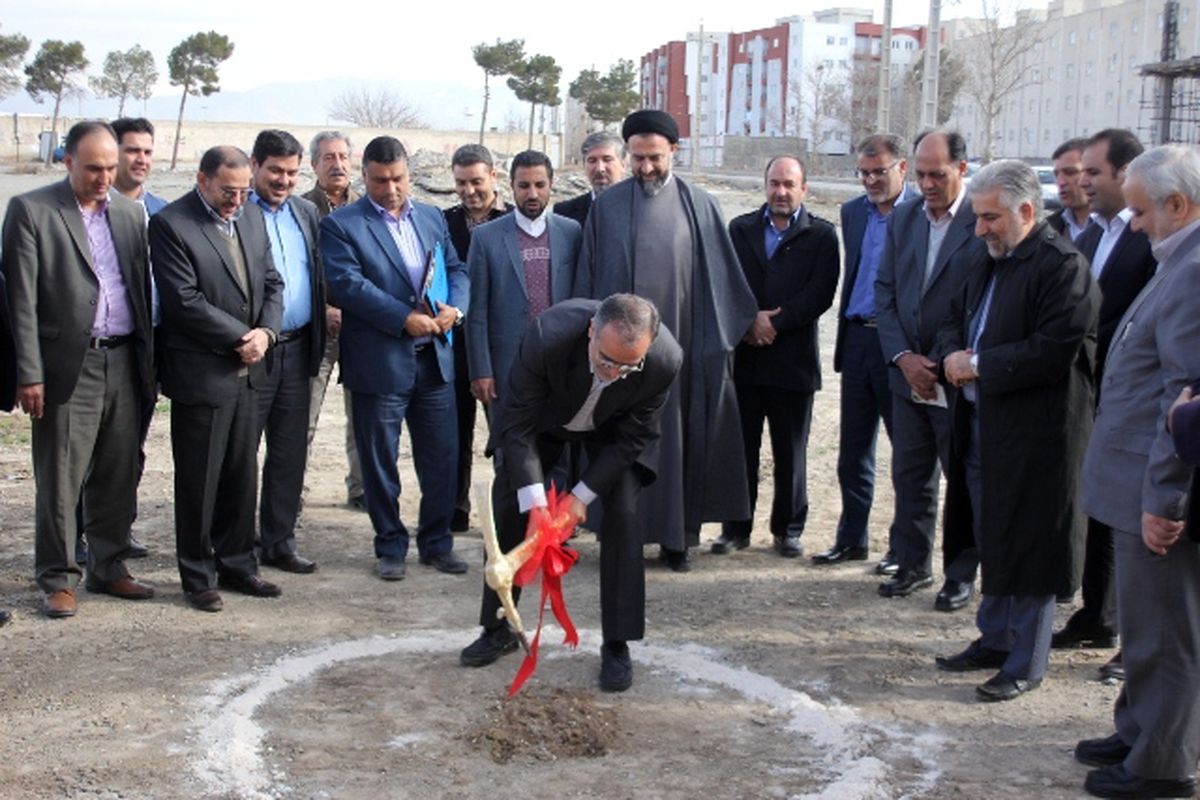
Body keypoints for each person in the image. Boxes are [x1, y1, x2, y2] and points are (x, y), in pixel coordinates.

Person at [459, 295, 682, 692]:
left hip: (614, 432)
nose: (614, 374)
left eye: (629, 366)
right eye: (606, 361)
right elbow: (519, 426)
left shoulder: (664, 360)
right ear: (592, 331)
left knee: (625, 510)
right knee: (511, 497)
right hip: (546, 420)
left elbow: (632, 441)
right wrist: (537, 503)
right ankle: (499, 626)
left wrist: (581, 495)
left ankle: (617, 642)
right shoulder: (549, 335)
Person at [935, 159, 1099, 701]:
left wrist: (978, 364)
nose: (979, 229)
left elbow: (1051, 352)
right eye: (978, 218)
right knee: (992, 534)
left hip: (1038, 438)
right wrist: (953, 352)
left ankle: (1026, 660)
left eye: (989, 218)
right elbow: (955, 316)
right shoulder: (989, 257)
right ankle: (996, 637)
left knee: (1031, 544)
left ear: (1026, 211)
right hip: (984, 427)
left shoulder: (1062, 267)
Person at [573, 109, 757, 571]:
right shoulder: (608, 207)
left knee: (678, 443)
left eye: (655, 157)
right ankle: (624, 536)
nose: (646, 168)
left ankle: (679, 538)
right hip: (621, 357)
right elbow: (588, 280)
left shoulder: (701, 205)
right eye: (637, 158)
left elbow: (724, 285)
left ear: (675, 151)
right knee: (623, 441)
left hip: (684, 354)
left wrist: (718, 344)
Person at [1075, 144, 1200, 800]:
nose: (1135, 225)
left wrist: (1165, 500)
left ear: (1177, 205)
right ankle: (1139, 728)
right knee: (1145, 627)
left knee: (1164, 633)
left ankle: (1163, 763)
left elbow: (1186, 400)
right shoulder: (1179, 255)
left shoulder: (1197, 266)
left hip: (1156, 496)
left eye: (1142, 212)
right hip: (1134, 486)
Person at [2, 120, 157, 618]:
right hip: (70, 364)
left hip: (126, 358)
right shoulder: (32, 211)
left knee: (117, 470)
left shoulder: (132, 215)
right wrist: (30, 372)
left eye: (111, 168)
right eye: (93, 168)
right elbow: (21, 301)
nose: (104, 177)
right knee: (62, 477)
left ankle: (109, 567)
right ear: (67, 161)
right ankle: (57, 576)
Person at [319, 135, 470, 581]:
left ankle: (437, 543)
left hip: (435, 358)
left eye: (398, 179)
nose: (390, 189)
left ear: (410, 174)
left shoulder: (430, 217)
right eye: (381, 180)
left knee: (441, 457)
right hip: (380, 359)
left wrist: (454, 309)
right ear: (364, 177)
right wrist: (403, 318)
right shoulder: (342, 225)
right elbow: (346, 284)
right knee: (379, 459)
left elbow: (456, 269)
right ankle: (389, 545)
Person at [150, 145, 284, 612]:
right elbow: (183, 300)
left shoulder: (250, 217)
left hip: (250, 369)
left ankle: (238, 563)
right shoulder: (171, 224)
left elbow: (272, 283)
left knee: (240, 474)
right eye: (228, 191)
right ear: (202, 180)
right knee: (200, 480)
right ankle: (197, 574)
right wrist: (240, 338)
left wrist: (266, 333)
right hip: (203, 373)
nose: (237, 201)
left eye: (245, 191)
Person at [1053, 129, 1157, 679]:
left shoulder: (1150, 237)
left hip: (1129, 394)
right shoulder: (1090, 236)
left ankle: (1125, 631)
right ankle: (1096, 613)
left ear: (1124, 173)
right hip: (1087, 391)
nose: (1082, 182)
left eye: (1093, 172)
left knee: (1129, 514)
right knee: (1096, 501)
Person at [872, 129, 985, 608]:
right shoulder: (905, 221)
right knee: (910, 474)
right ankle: (913, 564)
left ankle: (960, 573)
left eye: (937, 174)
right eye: (919, 174)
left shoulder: (980, 222)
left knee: (961, 478)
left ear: (962, 168)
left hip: (956, 379)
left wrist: (943, 362)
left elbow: (983, 303)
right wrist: (902, 358)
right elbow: (886, 293)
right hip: (908, 377)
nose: (927, 184)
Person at [713, 155, 838, 558]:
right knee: (740, 450)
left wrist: (774, 325)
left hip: (793, 362)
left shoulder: (820, 235)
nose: (780, 192)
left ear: (804, 188)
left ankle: (788, 529)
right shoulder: (741, 229)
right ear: (764, 185)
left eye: (789, 184)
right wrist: (749, 320)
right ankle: (735, 528)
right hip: (745, 361)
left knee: (790, 453)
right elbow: (727, 282)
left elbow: (820, 293)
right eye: (774, 183)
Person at [815, 133, 909, 569]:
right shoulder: (852, 213)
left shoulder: (919, 215)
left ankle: (902, 548)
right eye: (865, 173)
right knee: (853, 451)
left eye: (879, 172)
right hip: (856, 340)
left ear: (902, 168)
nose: (871, 180)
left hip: (899, 346)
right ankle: (852, 538)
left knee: (906, 454)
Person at [247, 130, 326, 574]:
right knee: (243, 453)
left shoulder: (305, 212)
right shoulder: (238, 212)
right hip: (252, 353)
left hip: (297, 349)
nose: (283, 180)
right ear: (255, 164)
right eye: (275, 170)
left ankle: (279, 541)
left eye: (292, 172)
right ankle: (238, 544)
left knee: (289, 451)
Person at [466, 149, 580, 409]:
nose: (532, 194)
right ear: (511, 186)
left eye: (540, 185)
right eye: (524, 185)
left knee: (557, 443)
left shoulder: (571, 231)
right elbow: (476, 311)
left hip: (559, 360)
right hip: (507, 364)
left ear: (551, 185)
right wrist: (481, 370)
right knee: (510, 442)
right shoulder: (486, 238)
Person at [444, 143, 513, 531]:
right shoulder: (443, 222)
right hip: (454, 347)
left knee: (506, 434)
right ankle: (455, 510)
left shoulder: (517, 221)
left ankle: (511, 513)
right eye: (460, 183)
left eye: (476, 181)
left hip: (499, 347)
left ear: (494, 177)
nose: (469, 190)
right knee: (454, 434)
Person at [302, 131, 365, 511]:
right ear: (314, 165)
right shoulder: (300, 209)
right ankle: (291, 491)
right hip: (316, 327)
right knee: (303, 416)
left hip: (360, 326)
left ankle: (361, 489)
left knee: (361, 417)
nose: (337, 164)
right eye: (328, 157)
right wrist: (322, 308)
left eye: (343, 156)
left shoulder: (367, 207)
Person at [553, 131, 627, 225]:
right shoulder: (564, 214)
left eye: (607, 159)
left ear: (623, 165)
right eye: (592, 161)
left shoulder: (641, 210)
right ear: (584, 165)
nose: (600, 168)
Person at [1047, 137, 1090, 241]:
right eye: (1056, 175)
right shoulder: (1048, 228)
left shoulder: (1122, 227)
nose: (1060, 182)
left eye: (1070, 172)